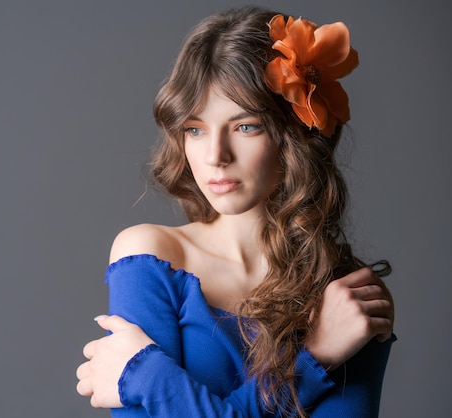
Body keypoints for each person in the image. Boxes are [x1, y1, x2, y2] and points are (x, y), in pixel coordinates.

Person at [76, 6, 395, 417]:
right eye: (195, 129)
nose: (215, 156)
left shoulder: (349, 298)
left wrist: (149, 377)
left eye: (245, 126)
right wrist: (316, 362)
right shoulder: (150, 255)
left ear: (293, 134)